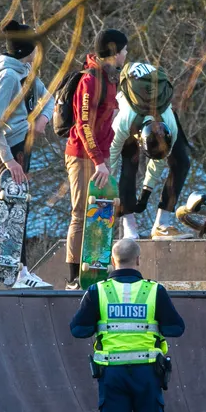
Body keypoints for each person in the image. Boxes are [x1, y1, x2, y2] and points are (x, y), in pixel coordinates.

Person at [70, 238, 185, 412]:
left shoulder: (98, 292)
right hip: (147, 375)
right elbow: (176, 327)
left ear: (112, 259)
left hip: (113, 377)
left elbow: (77, 329)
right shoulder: (154, 291)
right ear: (139, 260)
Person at [0, 19, 54, 288]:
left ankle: (20, 270)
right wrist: (9, 160)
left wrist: (43, 119)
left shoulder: (26, 73)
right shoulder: (8, 77)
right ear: (27, 50)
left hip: (22, 146)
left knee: (20, 208)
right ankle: (14, 273)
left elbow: (48, 98)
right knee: (11, 210)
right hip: (10, 149)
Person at [65, 28, 127, 290]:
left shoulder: (110, 78)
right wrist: (97, 160)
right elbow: (83, 124)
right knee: (81, 212)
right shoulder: (90, 80)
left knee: (104, 211)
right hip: (82, 155)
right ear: (114, 52)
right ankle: (74, 277)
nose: (126, 54)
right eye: (124, 50)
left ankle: (98, 269)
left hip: (102, 156)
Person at [108, 62, 193, 241]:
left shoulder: (170, 126)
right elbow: (112, 156)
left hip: (160, 113)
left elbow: (159, 161)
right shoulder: (124, 122)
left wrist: (145, 194)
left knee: (182, 163)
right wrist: (109, 188)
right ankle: (129, 226)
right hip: (132, 111)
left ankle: (162, 225)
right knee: (129, 164)